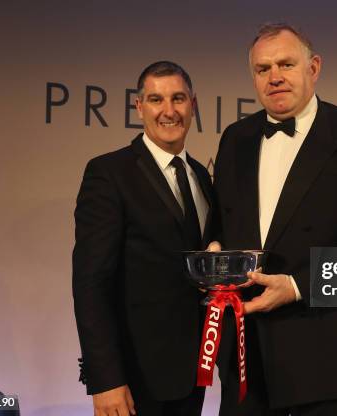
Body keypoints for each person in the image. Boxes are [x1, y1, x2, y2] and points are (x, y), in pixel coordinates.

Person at [212, 23, 337, 415]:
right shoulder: (236, 138)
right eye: (262, 69)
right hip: (248, 359)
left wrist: (299, 285)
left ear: (313, 68)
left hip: (329, 358)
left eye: (285, 64)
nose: (275, 77)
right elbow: (224, 224)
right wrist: (217, 252)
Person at [72, 61, 213, 416]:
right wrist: (105, 380)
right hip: (133, 381)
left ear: (193, 106)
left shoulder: (201, 175)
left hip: (192, 374)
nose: (169, 111)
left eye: (178, 98)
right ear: (139, 107)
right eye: (156, 99)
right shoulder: (108, 173)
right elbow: (90, 283)